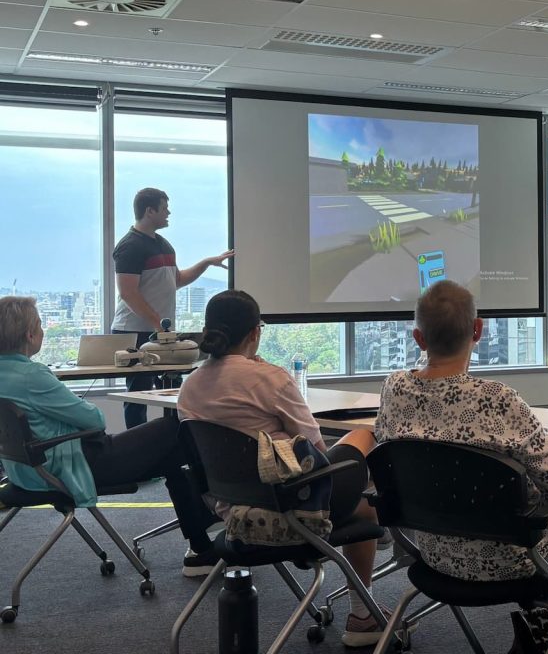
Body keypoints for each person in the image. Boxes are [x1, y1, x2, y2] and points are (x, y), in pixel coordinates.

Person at [374, 280, 548, 654]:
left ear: (418, 338)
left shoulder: (394, 389)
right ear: (478, 330)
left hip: (432, 551)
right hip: (515, 560)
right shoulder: (498, 400)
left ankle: (539, 627)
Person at [176, 290, 387, 647]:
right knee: (364, 443)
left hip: (234, 514)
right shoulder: (270, 378)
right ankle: (363, 614)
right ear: (255, 333)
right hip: (296, 509)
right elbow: (316, 450)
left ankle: (378, 534)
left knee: (365, 499)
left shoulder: (190, 387)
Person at [0, 296, 218, 576]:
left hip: (24, 471)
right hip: (71, 467)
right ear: (30, 334)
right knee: (175, 427)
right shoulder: (32, 375)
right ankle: (213, 515)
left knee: (170, 456)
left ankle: (201, 548)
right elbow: (95, 420)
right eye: (40, 326)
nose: (42, 331)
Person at [112, 187, 234, 428]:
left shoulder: (163, 245)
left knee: (174, 392)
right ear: (150, 211)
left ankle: (173, 449)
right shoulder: (130, 246)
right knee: (138, 395)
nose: (169, 212)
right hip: (134, 332)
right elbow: (128, 292)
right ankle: (139, 452)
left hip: (161, 333)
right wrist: (157, 322)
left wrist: (207, 262)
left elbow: (176, 280)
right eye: (164, 207)